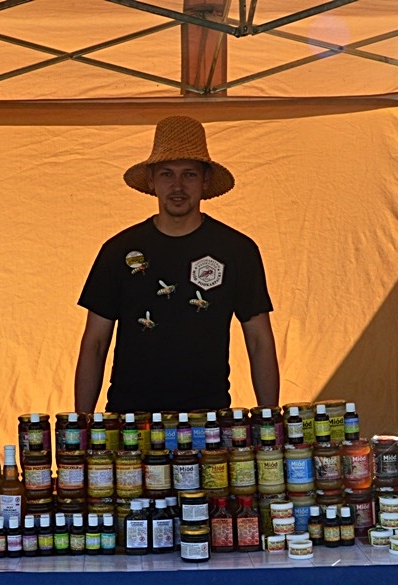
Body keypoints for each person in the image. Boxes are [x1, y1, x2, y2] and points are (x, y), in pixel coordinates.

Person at [74, 115, 279, 414]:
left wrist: (270, 420)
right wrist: (82, 423)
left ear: (205, 180)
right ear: (151, 180)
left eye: (189, 174)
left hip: (208, 422)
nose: (178, 186)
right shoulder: (118, 251)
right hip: (130, 422)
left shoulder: (237, 250)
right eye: (167, 174)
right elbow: (94, 343)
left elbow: (259, 340)